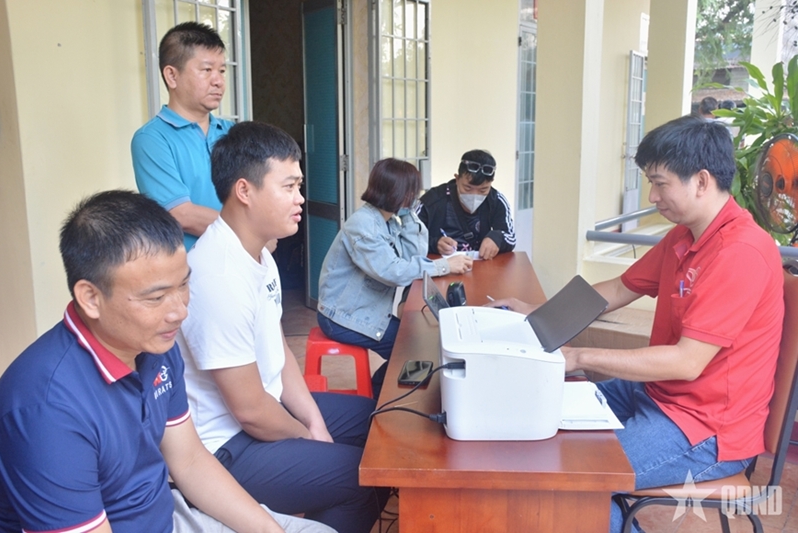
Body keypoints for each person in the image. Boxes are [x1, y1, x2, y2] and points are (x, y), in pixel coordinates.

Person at [489, 115, 784, 532]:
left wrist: (579, 356)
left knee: (571, 480)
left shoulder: (740, 252)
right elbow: (615, 290)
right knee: (539, 414)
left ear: (701, 181)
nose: (652, 196)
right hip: (656, 395)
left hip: (705, 429)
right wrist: (535, 313)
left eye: (661, 184)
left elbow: (687, 362)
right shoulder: (685, 235)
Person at [0, 190, 333, 533]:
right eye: (156, 297)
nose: (179, 312)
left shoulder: (154, 344)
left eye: (184, 285)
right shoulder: (46, 409)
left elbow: (189, 461)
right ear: (91, 298)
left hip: (167, 516)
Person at [177, 121, 388, 533]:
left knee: (384, 425)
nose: (301, 198)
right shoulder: (218, 276)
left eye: (299, 186)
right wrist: (306, 437)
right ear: (244, 191)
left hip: (267, 412)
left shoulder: (259, 255)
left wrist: (315, 421)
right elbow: (250, 411)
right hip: (227, 447)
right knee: (366, 476)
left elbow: (279, 353)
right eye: (289, 187)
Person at [317, 158, 473, 398]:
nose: (415, 197)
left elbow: (413, 256)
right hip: (341, 316)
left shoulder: (387, 220)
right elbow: (393, 272)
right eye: (411, 192)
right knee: (415, 349)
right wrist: (444, 266)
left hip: (363, 310)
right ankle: (381, 399)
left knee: (418, 344)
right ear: (397, 192)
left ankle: (380, 392)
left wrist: (408, 213)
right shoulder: (364, 225)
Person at [131, 22, 232, 251]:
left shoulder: (233, 133)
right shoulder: (151, 139)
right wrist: (251, 231)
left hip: (243, 264)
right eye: (206, 70)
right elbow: (181, 214)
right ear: (172, 76)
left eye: (222, 71)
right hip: (189, 269)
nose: (218, 81)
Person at [417, 149, 515, 260]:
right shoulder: (432, 201)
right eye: (467, 188)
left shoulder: (496, 201)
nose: (474, 195)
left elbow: (511, 238)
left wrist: (497, 238)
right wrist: (434, 244)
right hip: (441, 266)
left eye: (483, 190)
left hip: (482, 266)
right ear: (457, 179)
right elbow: (409, 239)